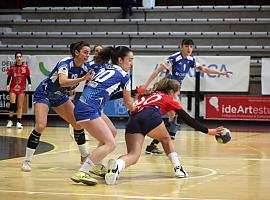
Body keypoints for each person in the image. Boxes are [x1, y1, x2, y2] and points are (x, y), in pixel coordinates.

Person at [105, 77, 225, 185]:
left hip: (133, 119)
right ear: (171, 92)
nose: (178, 97)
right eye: (178, 94)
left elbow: (122, 93)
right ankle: (178, 169)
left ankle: (117, 166)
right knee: (166, 138)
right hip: (150, 116)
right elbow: (187, 118)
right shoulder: (168, 98)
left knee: (133, 155)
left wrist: (106, 97)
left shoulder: (147, 94)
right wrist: (208, 131)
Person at [140, 38, 233, 155]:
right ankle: (167, 140)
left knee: (173, 118)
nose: (189, 49)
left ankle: (155, 144)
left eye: (191, 47)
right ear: (181, 47)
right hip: (167, 90)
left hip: (175, 91)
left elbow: (204, 69)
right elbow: (157, 71)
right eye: (186, 46)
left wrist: (222, 73)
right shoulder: (174, 58)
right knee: (176, 116)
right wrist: (145, 85)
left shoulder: (191, 60)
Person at [21, 41, 94, 173]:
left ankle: (84, 157)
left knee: (78, 124)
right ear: (76, 53)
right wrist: (81, 79)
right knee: (41, 126)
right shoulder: (65, 63)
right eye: (85, 52)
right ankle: (27, 160)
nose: (87, 55)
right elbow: (62, 81)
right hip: (44, 94)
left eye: (89, 52)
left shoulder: (86, 66)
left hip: (60, 97)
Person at [70, 46, 135, 186]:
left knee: (112, 131)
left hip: (85, 105)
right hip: (88, 109)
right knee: (110, 144)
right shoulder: (125, 76)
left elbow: (87, 67)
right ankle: (83, 171)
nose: (131, 63)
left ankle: (96, 164)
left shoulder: (103, 66)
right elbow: (128, 103)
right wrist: (138, 108)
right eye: (129, 60)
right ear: (120, 60)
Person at [6, 51, 31, 129]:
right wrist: (7, 85)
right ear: (15, 58)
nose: (19, 58)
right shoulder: (12, 67)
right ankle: (10, 121)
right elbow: (9, 77)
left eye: (20, 57)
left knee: (20, 106)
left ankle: (19, 122)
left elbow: (28, 77)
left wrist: (29, 84)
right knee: (12, 105)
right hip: (13, 88)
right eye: (17, 57)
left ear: (22, 58)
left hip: (21, 89)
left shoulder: (25, 67)